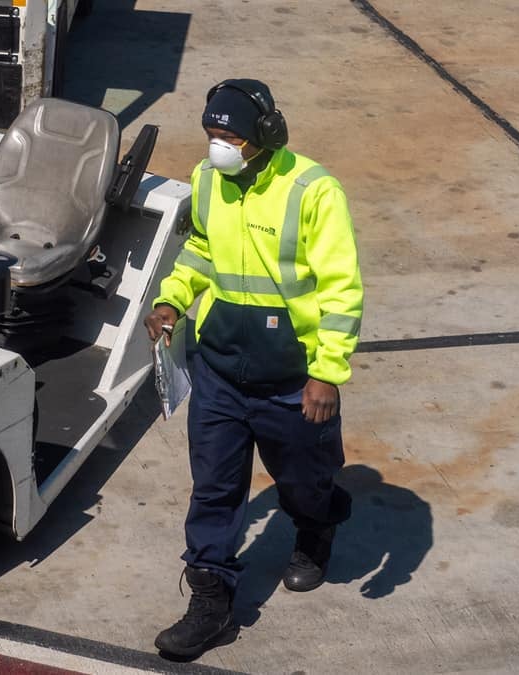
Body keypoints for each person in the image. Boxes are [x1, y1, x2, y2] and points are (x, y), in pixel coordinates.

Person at [145, 79, 363, 659]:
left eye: (230, 136)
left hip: (292, 378)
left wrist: (327, 374)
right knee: (213, 489)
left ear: (266, 136)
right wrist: (172, 297)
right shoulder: (207, 178)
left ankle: (318, 524)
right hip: (218, 370)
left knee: (304, 484)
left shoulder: (313, 190)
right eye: (212, 135)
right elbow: (199, 250)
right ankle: (211, 604)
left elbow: (342, 290)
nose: (219, 146)